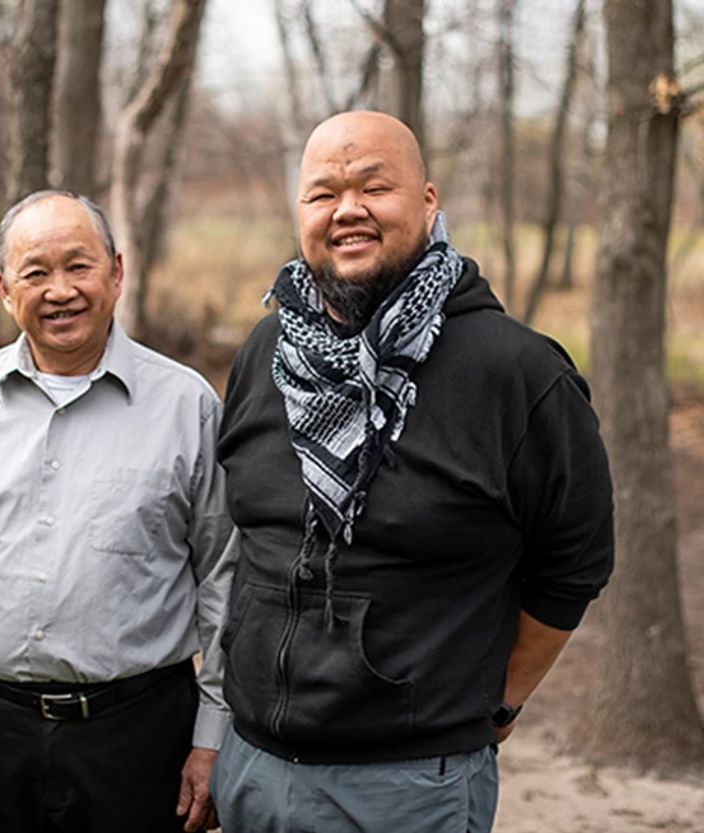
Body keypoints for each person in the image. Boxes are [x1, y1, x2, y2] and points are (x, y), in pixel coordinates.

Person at [211, 111, 614, 830]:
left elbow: (574, 564)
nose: (348, 211)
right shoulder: (267, 351)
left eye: (374, 186)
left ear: (428, 201)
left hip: (408, 786)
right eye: (323, 192)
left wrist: (500, 702)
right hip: (253, 770)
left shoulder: (515, 373)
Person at [0, 191, 235, 832]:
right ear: (3, 287)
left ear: (116, 272)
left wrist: (214, 736)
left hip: (140, 737)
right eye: (36, 272)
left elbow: (225, 579)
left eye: (79, 266)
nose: (60, 291)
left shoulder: (187, 406)